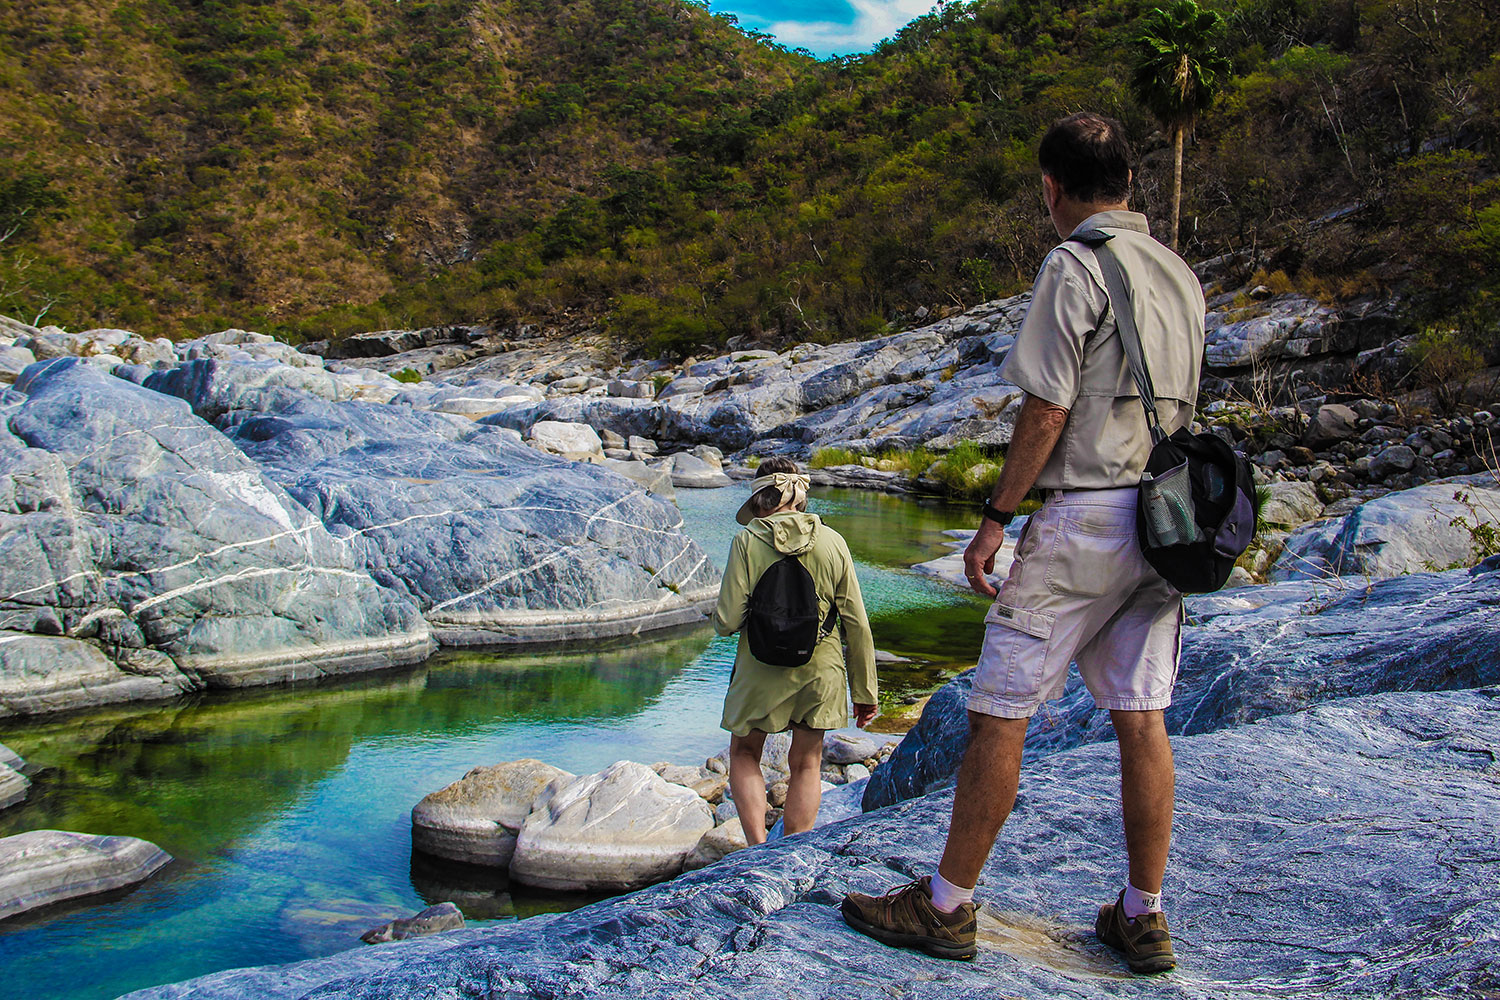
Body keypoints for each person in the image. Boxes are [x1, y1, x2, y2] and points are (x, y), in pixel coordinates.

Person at [841, 112, 1206, 974]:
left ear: (1052, 187)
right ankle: (1143, 914)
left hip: (1084, 516)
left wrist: (997, 518)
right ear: (1127, 182)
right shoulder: (1181, 273)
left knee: (999, 709)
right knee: (1141, 715)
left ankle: (945, 906)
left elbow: (1047, 406)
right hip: (1164, 523)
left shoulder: (1073, 263)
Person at [713, 456, 878, 845]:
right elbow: (856, 623)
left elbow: (726, 621)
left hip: (758, 667)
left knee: (744, 754)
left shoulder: (747, 540)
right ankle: (790, 852)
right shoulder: (833, 541)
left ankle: (757, 849)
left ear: (761, 500)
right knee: (807, 762)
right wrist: (865, 693)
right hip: (820, 669)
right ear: (800, 497)